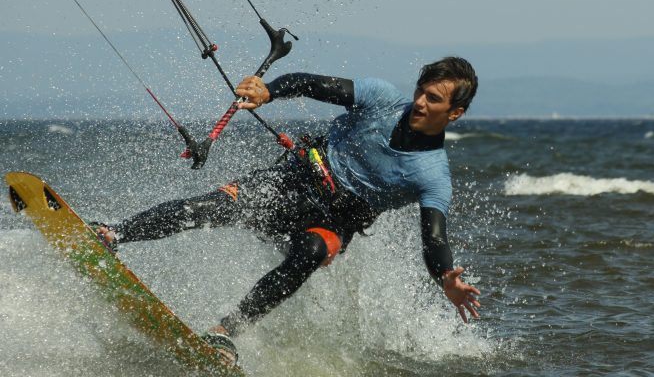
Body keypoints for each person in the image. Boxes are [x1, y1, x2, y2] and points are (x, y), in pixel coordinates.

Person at [95, 56, 480, 364]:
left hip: (331, 224)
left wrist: (445, 276)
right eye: (421, 91)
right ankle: (114, 234)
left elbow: (434, 237)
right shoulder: (381, 98)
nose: (419, 102)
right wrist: (268, 92)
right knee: (210, 207)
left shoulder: (432, 175)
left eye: (433, 98)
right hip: (290, 182)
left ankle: (224, 332)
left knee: (312, 253)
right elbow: (312, 83)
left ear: (455, 112)